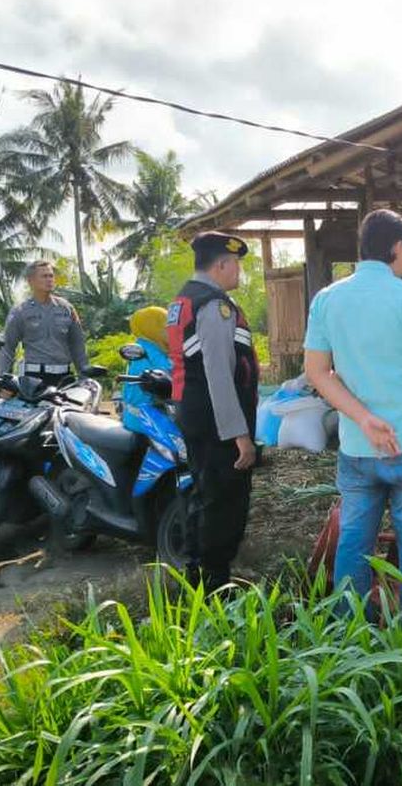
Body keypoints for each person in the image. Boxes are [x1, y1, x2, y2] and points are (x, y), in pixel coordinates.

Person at [304, 209, 402, 637]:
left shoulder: (327, 299)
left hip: (357, 449)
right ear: (397, 248)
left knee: (354, 541)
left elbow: (317, 372)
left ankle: (347, 637)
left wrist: (362, 417)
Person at [167, 233, 259, 590]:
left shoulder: (184, 299)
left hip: (196, 415)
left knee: (205, 495)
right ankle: (215, 585)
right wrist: (240, 436)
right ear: (221, 265)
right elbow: (219, 374)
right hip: (217, 422)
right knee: (224, 503)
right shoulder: (213, 305)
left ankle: (197, 574)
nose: (239, 272)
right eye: (236, 264)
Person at [0, 260, 89, 387]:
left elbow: (78, 345)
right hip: (33, 379)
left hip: (64, 378)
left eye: (51, 276)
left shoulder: (67, 308)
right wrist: (5, 382)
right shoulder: (20, 311)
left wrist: (85, 377)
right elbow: (8, 348)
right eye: (44, 276)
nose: (49, 280)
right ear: (31, 281)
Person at [122, 305, 172, 418]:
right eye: (165, 325)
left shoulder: (157, 347)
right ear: (152, 328)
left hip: (155, 413)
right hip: (145, 418)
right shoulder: (146, 352)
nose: (170, 329)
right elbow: (168, 373)